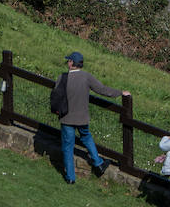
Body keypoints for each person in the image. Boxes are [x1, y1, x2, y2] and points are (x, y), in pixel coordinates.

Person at [54, 51, 129, 184]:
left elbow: (55, 95)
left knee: (67, 147)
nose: (67, 63)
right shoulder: (86, 77)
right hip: (82, 117)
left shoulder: (62, 77)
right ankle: (98, 163)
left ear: (71, 63)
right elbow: (102, 89)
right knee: (86, 137)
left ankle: (70, 178)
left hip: (66, 117)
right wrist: (120, 93)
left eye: (68, 61)